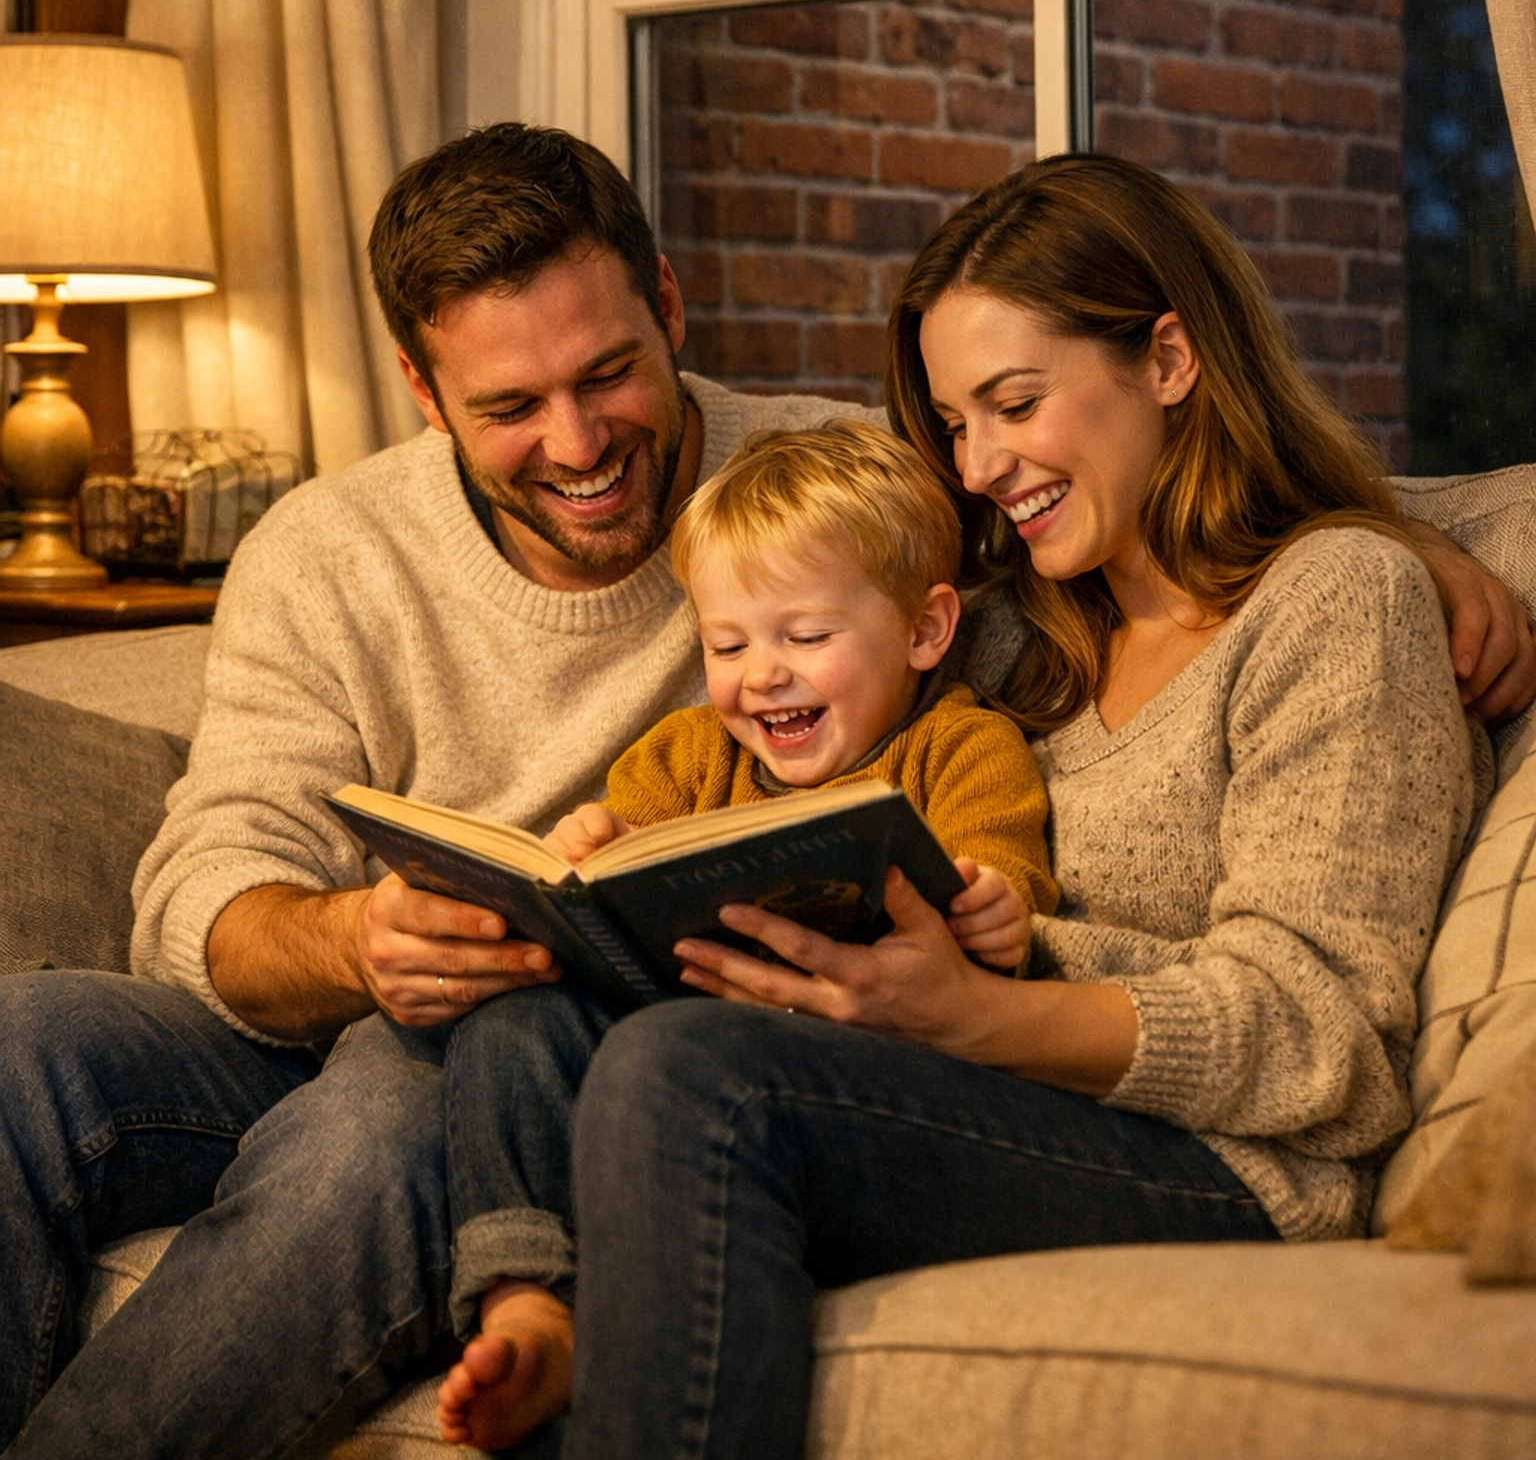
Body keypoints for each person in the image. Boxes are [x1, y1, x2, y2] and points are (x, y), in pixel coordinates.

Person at [0, 130, 1523, 1460]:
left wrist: (1407, 547)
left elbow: (1252, 582)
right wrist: (360, 940)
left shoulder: (859, 499)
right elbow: (211, 869)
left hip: (1040, 1099)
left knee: (610, 1077)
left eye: (608, 375)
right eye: (511, 405)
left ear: (670, 311)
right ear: (423, 390)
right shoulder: (1050, 613)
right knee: (33, 1041)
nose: (579, 443)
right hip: (454, 1015)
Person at [542, 154, 1496, 1460]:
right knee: (528, 1033)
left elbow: (1329, 1037)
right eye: (952, 423)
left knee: (694, 1083)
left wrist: (983, 1014)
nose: (978, 465)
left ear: (1169, 358)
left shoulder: (1334, 604)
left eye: (1014, 404)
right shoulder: (1008, 640)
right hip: (951, 1082)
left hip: (1229, 1165)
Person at [436, 418, 1058, 1453]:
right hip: (660, 1058)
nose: (760, 675)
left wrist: (995, 912)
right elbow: (613, 856)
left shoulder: (962, 747)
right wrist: (591, 849)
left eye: (804, 637)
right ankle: (528, 1298)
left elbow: (1004, 883)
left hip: (832, 1085)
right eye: (727, 645)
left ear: (924, 629)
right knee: (513, 1027)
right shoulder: (686, 755)